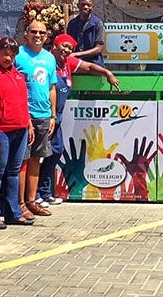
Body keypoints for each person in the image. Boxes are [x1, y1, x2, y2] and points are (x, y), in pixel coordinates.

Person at [37, 34, 121, 206]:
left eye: (70, 48)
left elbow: (89, 67)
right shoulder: (46, 62)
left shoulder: (67, 63)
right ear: (54, 45)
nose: (66, 50)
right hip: (43, 116)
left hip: (57, 116)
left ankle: (45, 192)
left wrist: (107, 72)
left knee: (56, 151)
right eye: (64, 46)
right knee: (38, 156)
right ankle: (35, 194)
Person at [0, 37, 35, 228]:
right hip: (0, 130)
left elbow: (23, 102)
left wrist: (28, 124)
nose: (8, 58)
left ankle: (13, 212)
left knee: (14, 172)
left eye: (12, 55)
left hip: (20, 129)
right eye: (5, 54)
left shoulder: (18, 75)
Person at [15, 20, 58, 217]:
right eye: (34, 31)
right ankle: (20, 203)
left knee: (36, 160)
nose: (38, 35)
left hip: (43, 116)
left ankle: (32, 201)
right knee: (21, 162)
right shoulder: (18, 54)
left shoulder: (49, 58)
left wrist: (52, 115)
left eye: (42, 32)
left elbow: (51, 88)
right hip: (25, 116)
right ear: (27, 34)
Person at [66, 0, 105, 66]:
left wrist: (77, 54)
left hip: (94, 64)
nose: (86, 7)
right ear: (78, 6)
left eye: (88, 5)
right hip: (76, 63)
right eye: (83, 4)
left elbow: (98, 49)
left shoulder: (98, 24)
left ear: (92, 7)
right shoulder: (72, 24)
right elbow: (69, 44)